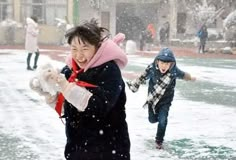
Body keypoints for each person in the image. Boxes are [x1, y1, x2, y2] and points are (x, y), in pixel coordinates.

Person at [30, 19, 130, 160]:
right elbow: (70, 107)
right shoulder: (71, 69)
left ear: (97, 47)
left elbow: (97, 107)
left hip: (108, 149)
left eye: (85, 48)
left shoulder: (109, 71)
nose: (79, 55)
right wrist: (49, 92)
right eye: (74, 49)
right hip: (77, 148)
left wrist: (65, 86)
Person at [126, 47, 196, 149]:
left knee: (163, 121)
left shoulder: (174, 71)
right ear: (157, 61)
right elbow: (142, 77)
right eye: (162, 63)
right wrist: (135, 84)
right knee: (152, 120)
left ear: (171, 64)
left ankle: (159, 141)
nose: (164, 66)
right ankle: (157, 119)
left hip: (165, 101)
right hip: (152, 100)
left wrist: (191, 78)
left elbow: (183, 75)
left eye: (167, 64)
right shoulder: (152, 69)